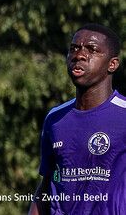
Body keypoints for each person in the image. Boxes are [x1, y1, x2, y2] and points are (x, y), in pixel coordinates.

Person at [29, 23, 126, 215]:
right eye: (74, 48)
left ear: (112, 64)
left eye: (92, 49)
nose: (79, 55)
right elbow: (47, 186)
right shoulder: (55, 118)